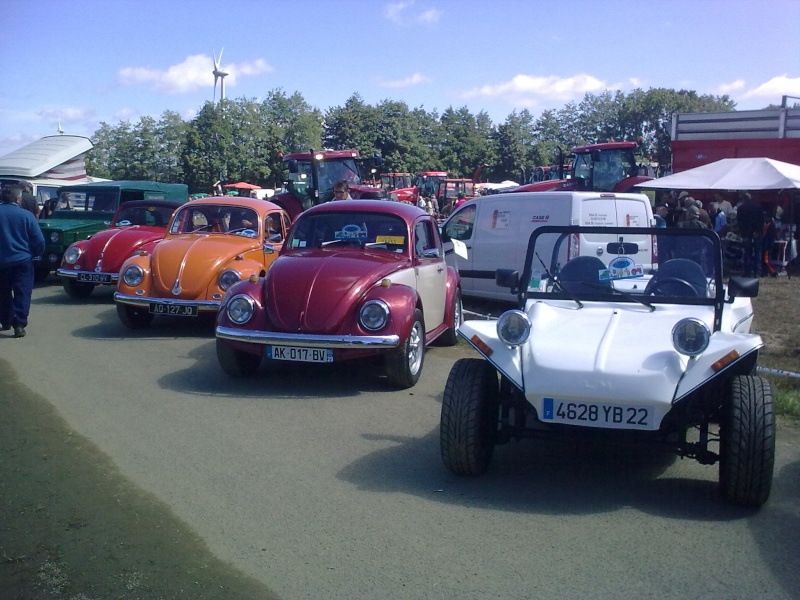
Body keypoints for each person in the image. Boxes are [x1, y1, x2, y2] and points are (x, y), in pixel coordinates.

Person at [0, 186, 46, 338]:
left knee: (3, 292)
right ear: (18, 199)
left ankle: (5, 320)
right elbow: (38, 240)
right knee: (22, 292)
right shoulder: (26, 215)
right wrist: (36, 254)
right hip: (22, 260)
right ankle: (19, 324)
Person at [736, 193, 765, 277]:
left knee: (747, 253)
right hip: (757, 232)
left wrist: (742, 232)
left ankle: (747, 271)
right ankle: (757, 271)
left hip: (746, 232)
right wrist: (757, 230)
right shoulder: (758, 206)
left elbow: (740, 221)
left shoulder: (741, 208)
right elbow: (761, 220)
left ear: (743, 199)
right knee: (758, 252)